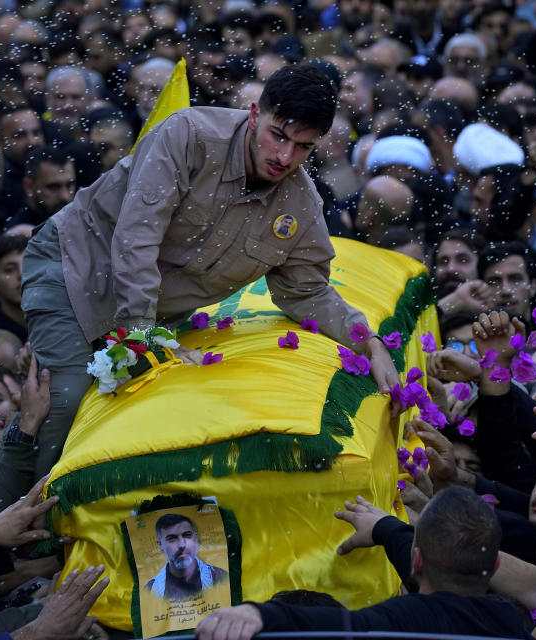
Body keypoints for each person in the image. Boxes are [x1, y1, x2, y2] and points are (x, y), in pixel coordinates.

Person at [21, 64, 400, 480]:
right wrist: (145, 341)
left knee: (110, 419)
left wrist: (371, 344)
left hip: (146, 314)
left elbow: (308, 292)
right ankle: (20, 535)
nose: (284, 157)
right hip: (75, 263)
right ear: (255, 114)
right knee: (65, 405)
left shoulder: (302, 205)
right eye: (278, 135)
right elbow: (136, 239)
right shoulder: (189, 134)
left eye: (303, 147)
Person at [195, 487, 534, 639]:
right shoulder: (515, 626)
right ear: (497, 568)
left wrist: (257, 613)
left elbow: (331, 625)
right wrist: (387, 530)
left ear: (417, 561)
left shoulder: (404, 621)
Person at [145, 513, 228, 600]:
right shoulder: (149, 590)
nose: (182, 545)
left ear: (196, 538)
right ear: (160, 544)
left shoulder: (221, 577)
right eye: (172, 538)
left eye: (187, 535)